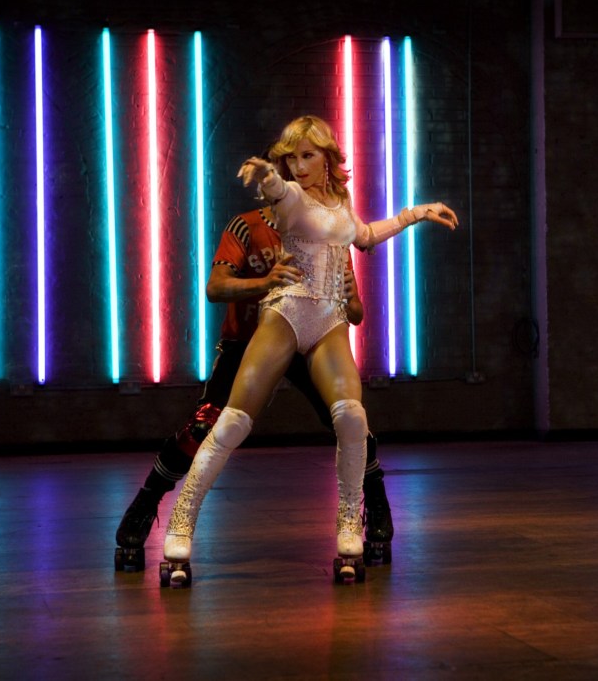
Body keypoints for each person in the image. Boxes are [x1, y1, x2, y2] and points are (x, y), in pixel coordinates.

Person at [160, 115, 457, 586]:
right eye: (291, 158)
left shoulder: (339, 201)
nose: (298, 166)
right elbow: (281, 193)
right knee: (232, 421)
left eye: (307, 156)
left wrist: (417, 213)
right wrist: (267, 178)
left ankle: (349, 524)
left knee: (352, 417)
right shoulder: (292, 197)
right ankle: (181, 522)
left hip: (329, 318)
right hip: (287, 312)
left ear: (327, 158)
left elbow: (364, 236)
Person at [114, 200, 393, 573]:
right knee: (205, 427)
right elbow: (215, 287)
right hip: (248, 342)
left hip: (307, 343)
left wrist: (350, 299)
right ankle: (148, 501)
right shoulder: (246, 227)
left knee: (350, 421)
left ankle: (373, 499)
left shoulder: (327, 229)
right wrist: (265, 282)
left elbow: (354, 311)